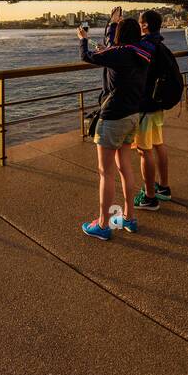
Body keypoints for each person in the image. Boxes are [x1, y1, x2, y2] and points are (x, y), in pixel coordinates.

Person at [78, 17, 150, 240]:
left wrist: (83, 39)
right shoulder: (140, 52)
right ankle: (129, 218)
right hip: (132, 116)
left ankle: (102, 224)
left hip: (113, 118)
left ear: (118, 34)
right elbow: (116, 59)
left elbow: (86, 56)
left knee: (105, 172)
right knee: (125, 167)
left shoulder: (118, 53)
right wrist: (107, 49)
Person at [132, 10, 180, 211]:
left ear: (145, 26)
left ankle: (150, 197)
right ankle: (163, 187)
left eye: (139, 22)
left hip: (146, 106)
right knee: (159, 144)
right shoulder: (161, 46)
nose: (137, 24)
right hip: (158, 104)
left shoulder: (146, 47)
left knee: (144, 151)